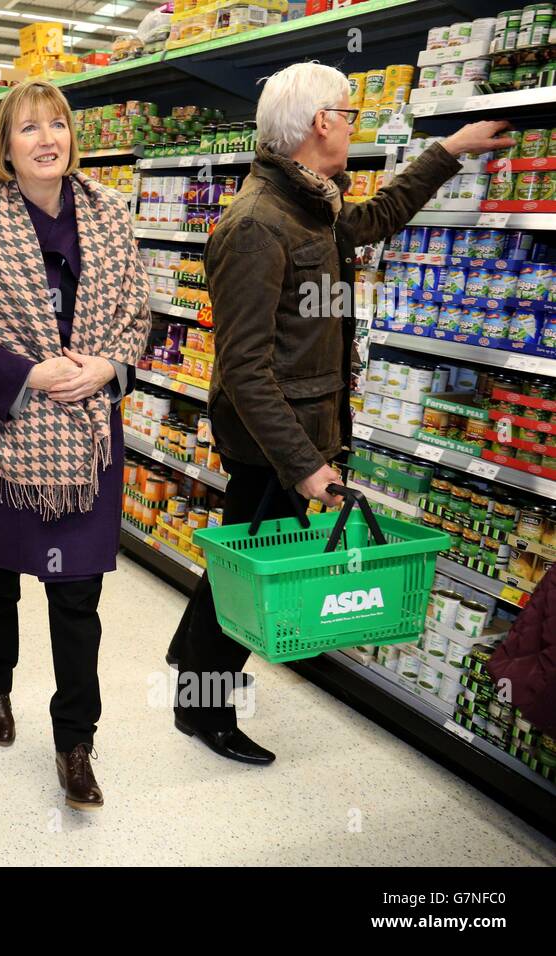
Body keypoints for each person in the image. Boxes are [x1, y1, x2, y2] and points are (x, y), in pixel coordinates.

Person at [166, 61, 514, 765]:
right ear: (322, 122)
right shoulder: (258, 224)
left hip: (296, 432)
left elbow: (374, 219)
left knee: (244, 554)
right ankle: (203, 709)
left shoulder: (308, 203)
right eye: (349, 113)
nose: (353, 124)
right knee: (253, 565)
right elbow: (243, 367)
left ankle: (193, 677)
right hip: (274, 440)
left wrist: (449, 151)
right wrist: (305, 467)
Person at [0, 79, 152, 812]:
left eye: (57, 124)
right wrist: (27, 373)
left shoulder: (111, 218)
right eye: (29, 128)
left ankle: (74, 742)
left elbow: (136, 317)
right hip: (7, 437)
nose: (47, 138)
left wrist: (109, 368)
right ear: (6, 146)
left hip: (86, 441)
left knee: (77, 593)